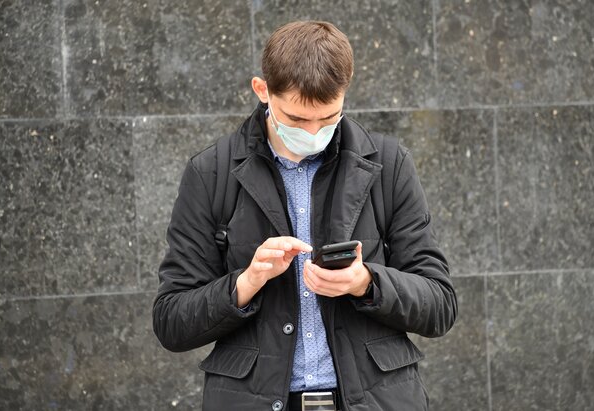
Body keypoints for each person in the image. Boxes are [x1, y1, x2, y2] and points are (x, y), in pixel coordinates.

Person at [152, 20, 457, 411]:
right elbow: (171, 322)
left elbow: (440, 305)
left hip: (375, 400)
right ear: (262, 90)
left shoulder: (389, 164)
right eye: (296, 120)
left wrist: (366, 282)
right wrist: (246, 282)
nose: (313, 132)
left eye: (329, 118)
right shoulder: (210, 172)